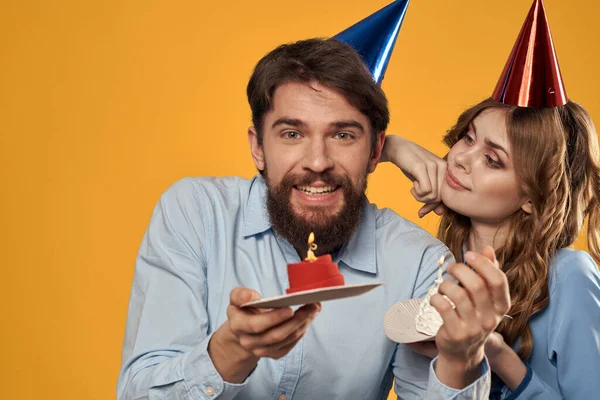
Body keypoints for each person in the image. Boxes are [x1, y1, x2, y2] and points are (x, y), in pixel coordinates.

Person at [116, 37, 510, 400]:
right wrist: (231, 351)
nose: (318, 162)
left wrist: (461, 359)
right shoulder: (196, 214)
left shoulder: (420, 262)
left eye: (343, 136)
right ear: (258, 147)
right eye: (292, 134)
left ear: (376, 151)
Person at [382, 3, 600, 398]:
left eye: (492, 159)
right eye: (468, 137)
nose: (461, 158)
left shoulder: (568, 278)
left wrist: (497, 355)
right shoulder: (435, 262)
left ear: (533, 197)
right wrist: (392, 147)